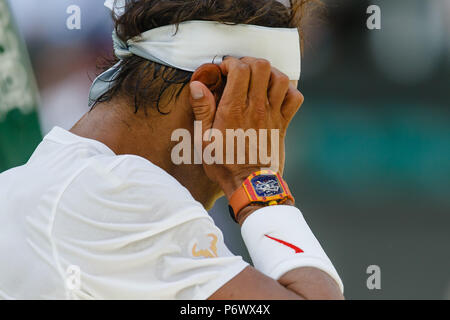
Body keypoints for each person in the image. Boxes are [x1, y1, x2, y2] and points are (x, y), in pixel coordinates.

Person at [0, 0, 343, 299]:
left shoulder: (43, 183)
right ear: (208, 86)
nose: (272, 134)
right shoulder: (116, 192)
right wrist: (256, 180)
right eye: (265, 109)